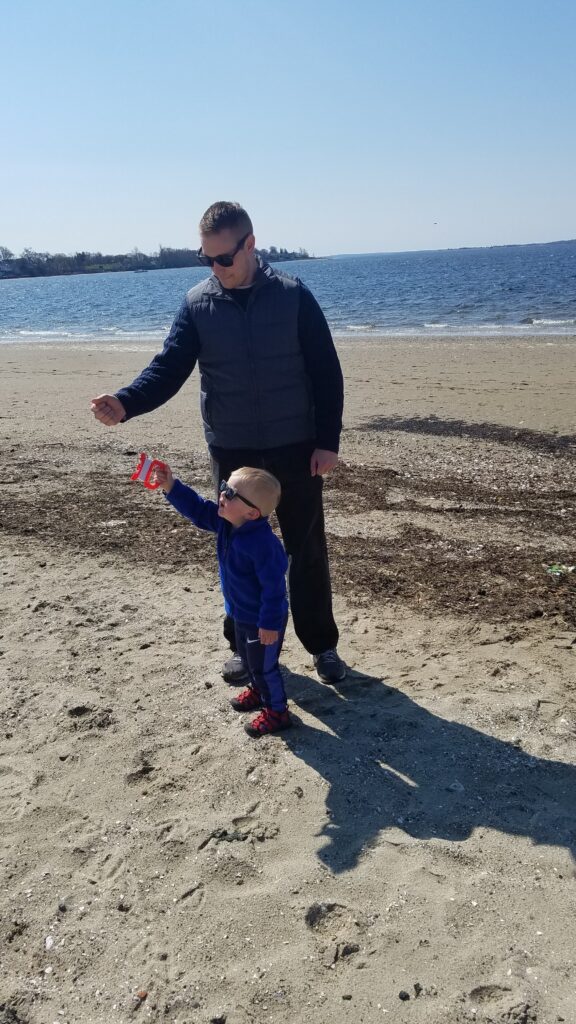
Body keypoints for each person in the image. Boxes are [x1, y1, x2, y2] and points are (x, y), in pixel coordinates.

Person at [91, 201, 345, 685]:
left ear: (250, 245)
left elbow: (326, 373)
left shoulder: (294, 296)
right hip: (233, 451)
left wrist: (327, 441)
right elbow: (168, 369)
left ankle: (323, 646)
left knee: (306, 549)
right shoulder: (197, 304)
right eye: (206, 258)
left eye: (223, 258)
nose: (216, 268)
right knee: (235, 553)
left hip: (296, 446)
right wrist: (125, 402)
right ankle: (243, 645)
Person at [150, 462, 292, 737]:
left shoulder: (264, 545)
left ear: (252, 513)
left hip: (263, 620)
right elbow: (198, 509)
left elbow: (275, 590)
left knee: (265, 667)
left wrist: (269, 624)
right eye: (224, 486)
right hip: (239, 613)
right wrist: (171, 486)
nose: (222, 494)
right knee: (249, 662)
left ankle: (277, 713)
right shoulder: (227, 523)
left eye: (230, 493)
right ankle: (256, 691)